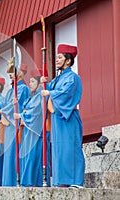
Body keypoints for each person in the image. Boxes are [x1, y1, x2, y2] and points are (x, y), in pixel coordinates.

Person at [41, 44, 85, 188]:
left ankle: (76, 181)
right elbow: (50, 89)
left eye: (60, 57)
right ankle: (62, 181)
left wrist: (50, 93)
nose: (57, 60)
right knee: (60, 150)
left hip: (68, 117)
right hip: (58, 119)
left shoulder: (73, 78)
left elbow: (66, 93)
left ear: (68, 60)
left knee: (70, 148)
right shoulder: (57, 79)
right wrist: (45, 84)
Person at [0, 63, 30, 186]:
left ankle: (14, 182)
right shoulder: (10, 91)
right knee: (8, 156)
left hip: (15, 125)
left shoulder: (23, 89)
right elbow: (6, 105)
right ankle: (7, 183)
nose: (10, 75)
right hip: (8, 126)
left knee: (13, 154)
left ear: (20, 73)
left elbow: (15, 107)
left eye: (12, 72)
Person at [14, 69, 50, 187]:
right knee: (27, 155)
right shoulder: (31, 96)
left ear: (39, 83)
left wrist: (21, 115)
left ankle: (32, 181)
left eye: (33, 82)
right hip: (27, 130)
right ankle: (27, 181)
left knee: (34, 156)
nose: (30, 84)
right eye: (29, 81)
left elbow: (35, 111)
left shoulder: (41, 94)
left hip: (35, 130)